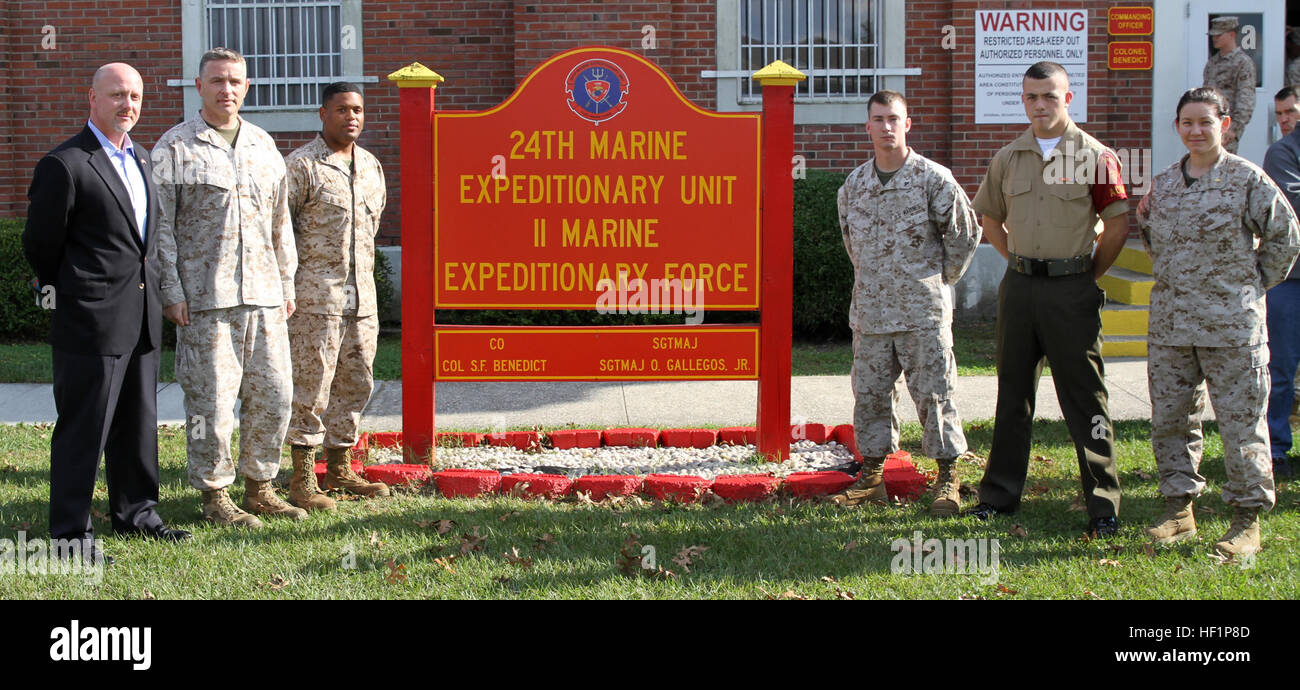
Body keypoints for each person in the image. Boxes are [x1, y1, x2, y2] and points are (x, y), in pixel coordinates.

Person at [23, 63, 191, 565]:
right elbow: (41, 246)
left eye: (136, 95)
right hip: (90, 320)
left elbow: (144, 245)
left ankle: (137, 513)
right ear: (91, 98)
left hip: (140, 316)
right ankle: (70, 537)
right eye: (117, 94)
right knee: (84, 428)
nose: (128, 104)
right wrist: (77, 292)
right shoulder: (67, 163)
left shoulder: (142, 158)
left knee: (137, 423)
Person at [966, 61, 1129, 535]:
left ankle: (1103, 504)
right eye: (1031, 97)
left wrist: (1085, 274)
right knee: (1012, 392)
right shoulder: (1008, 157)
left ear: (1068, 98)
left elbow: (1118, 224)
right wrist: (1018, 260)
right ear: (1023, 101)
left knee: (1085, 396)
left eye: (1050, 96)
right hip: (1020, 288)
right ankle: (998, 496)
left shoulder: (1094, 156)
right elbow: (990, 218)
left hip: (1071, 289)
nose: (1040, 105)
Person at [1136, 87, 1299, 556]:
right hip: (1171, 329)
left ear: (1224, 124)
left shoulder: (1248, 180)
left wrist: (1246, 287)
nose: (1196, 131)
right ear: (1177, 127)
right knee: (1170, 421)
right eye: (1187, 123)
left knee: (1241, 425)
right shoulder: (1164, 185)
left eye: (1205, 122)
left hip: (1232, 328)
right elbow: (1151, 240)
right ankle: (1178, 508)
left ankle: (1247, 520)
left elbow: (1285, 240)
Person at [153, 47, 301, 527]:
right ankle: (215, 494)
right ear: (199, 86)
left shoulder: (263, 145)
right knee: (211, 402)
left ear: (247, 87)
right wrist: (170, 291)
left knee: (275, 394)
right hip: (205, 302)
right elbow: (161, 229)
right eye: (217, 80)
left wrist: (287, 283)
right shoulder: (174, 148)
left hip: (265, 297)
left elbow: (281, 224)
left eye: (235, 81)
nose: (226, 89)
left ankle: (260, 486)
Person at [830, 90, 981, 515]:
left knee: (935, 395)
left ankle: (948, 478)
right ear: (868, 127)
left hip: (921, 315)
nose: (887, 127)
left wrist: (935, 284)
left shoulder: (934, 179)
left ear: (907, 123)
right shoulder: (854, 187)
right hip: (871, 314)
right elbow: (851, 245)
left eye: (894, 118)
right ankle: (872, 478)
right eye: (878, 120)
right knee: (871, 395)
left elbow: (965, 238)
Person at [283, 82, 390, 508]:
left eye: (359, 110)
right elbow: (281, 233)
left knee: (356, 383)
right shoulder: (301, 167)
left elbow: (373, 228)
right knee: (310, 388)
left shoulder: (371, 167)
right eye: (342, 110)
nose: (352, 118)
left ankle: (340, 469)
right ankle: (302, 479)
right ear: (322, 114)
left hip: (362, 303)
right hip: (314, 303)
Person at [1262, 93, 1300, 480]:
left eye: (1292, 111)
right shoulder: (1283, 152)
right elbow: (1294, 203)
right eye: (1282, 113)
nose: (1286, 119)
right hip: (1292, 282)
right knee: (1282, 371)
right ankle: (1276, 450)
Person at [1202, 16, 1256, 155]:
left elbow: (1246, 99)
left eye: (1219, 35)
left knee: (1224, 170)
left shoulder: (1243, 63)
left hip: (1227, 129)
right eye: (1213, 35)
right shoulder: (1212, 63)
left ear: (1231, 34)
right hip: (1208, 126)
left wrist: (1234, 129)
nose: (1214, 38)